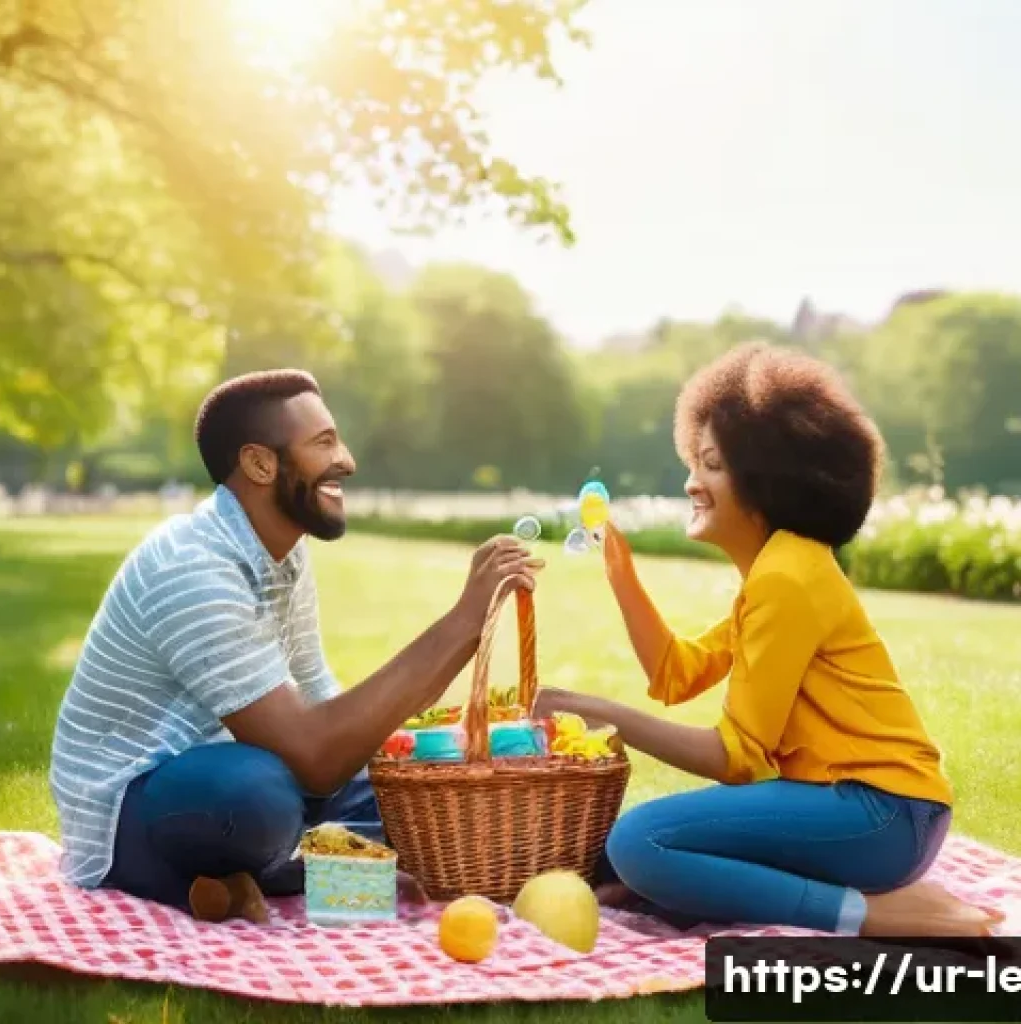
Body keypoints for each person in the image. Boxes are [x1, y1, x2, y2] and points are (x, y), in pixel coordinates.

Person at [533, 342, 1002, 938]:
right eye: (694, 462)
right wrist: (622, 576)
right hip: (880, 814)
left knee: (639, 840)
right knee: (629, 854)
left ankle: (873, 915)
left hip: (883, 813)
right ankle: (862, 896)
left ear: (765, 479)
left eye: (711, 464)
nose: (691, 483)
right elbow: (675, 675)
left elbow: (736, 757)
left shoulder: (788, 578)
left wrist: (597, 714)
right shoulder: (778, 572)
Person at [50, 369, 543, 923]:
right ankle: (282, 866)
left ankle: (248, 879)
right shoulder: (191, 568)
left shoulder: (283, 553)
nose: (346, 461)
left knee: (413, 788)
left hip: (255, 766)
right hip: (137, 805)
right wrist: (463, 622)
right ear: (260, 464)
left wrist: (415, 760)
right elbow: (314, 758)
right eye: (323, 443)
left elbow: (318, 697)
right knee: (256, 796)